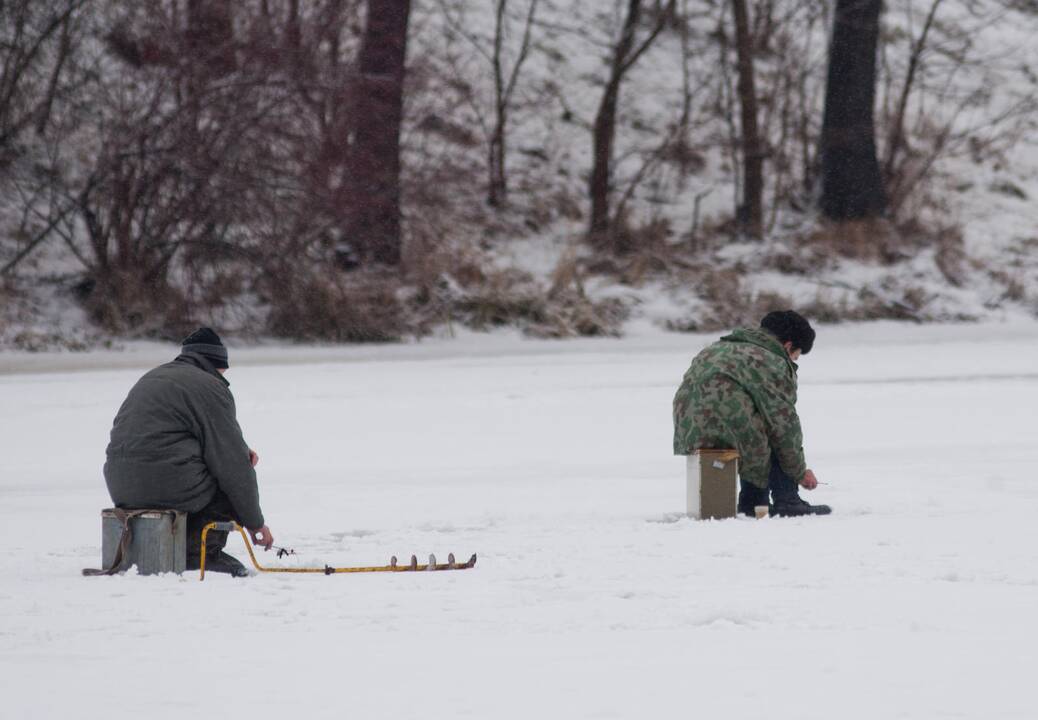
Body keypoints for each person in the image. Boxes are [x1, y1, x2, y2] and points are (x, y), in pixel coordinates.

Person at [103, 328, 274, 575]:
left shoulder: (154, 376)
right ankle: (200, 553)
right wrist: (255, 524)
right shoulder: (210, 387)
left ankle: (172, 545)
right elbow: (234, 467)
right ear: (217, 363)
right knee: (228, 478)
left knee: (218, 467)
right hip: (165, 483)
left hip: (121, 488)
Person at [672, 310, 831, 517]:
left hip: (689, 428)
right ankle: (785, 500)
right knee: (772, 427)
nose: (793, 360)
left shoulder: (717, 348)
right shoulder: (771, 360)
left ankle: (754, 502)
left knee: (751, 420)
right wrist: (799, 472)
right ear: (788, 346)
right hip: (731, 427)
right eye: (796, 356)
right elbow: (784, 425)